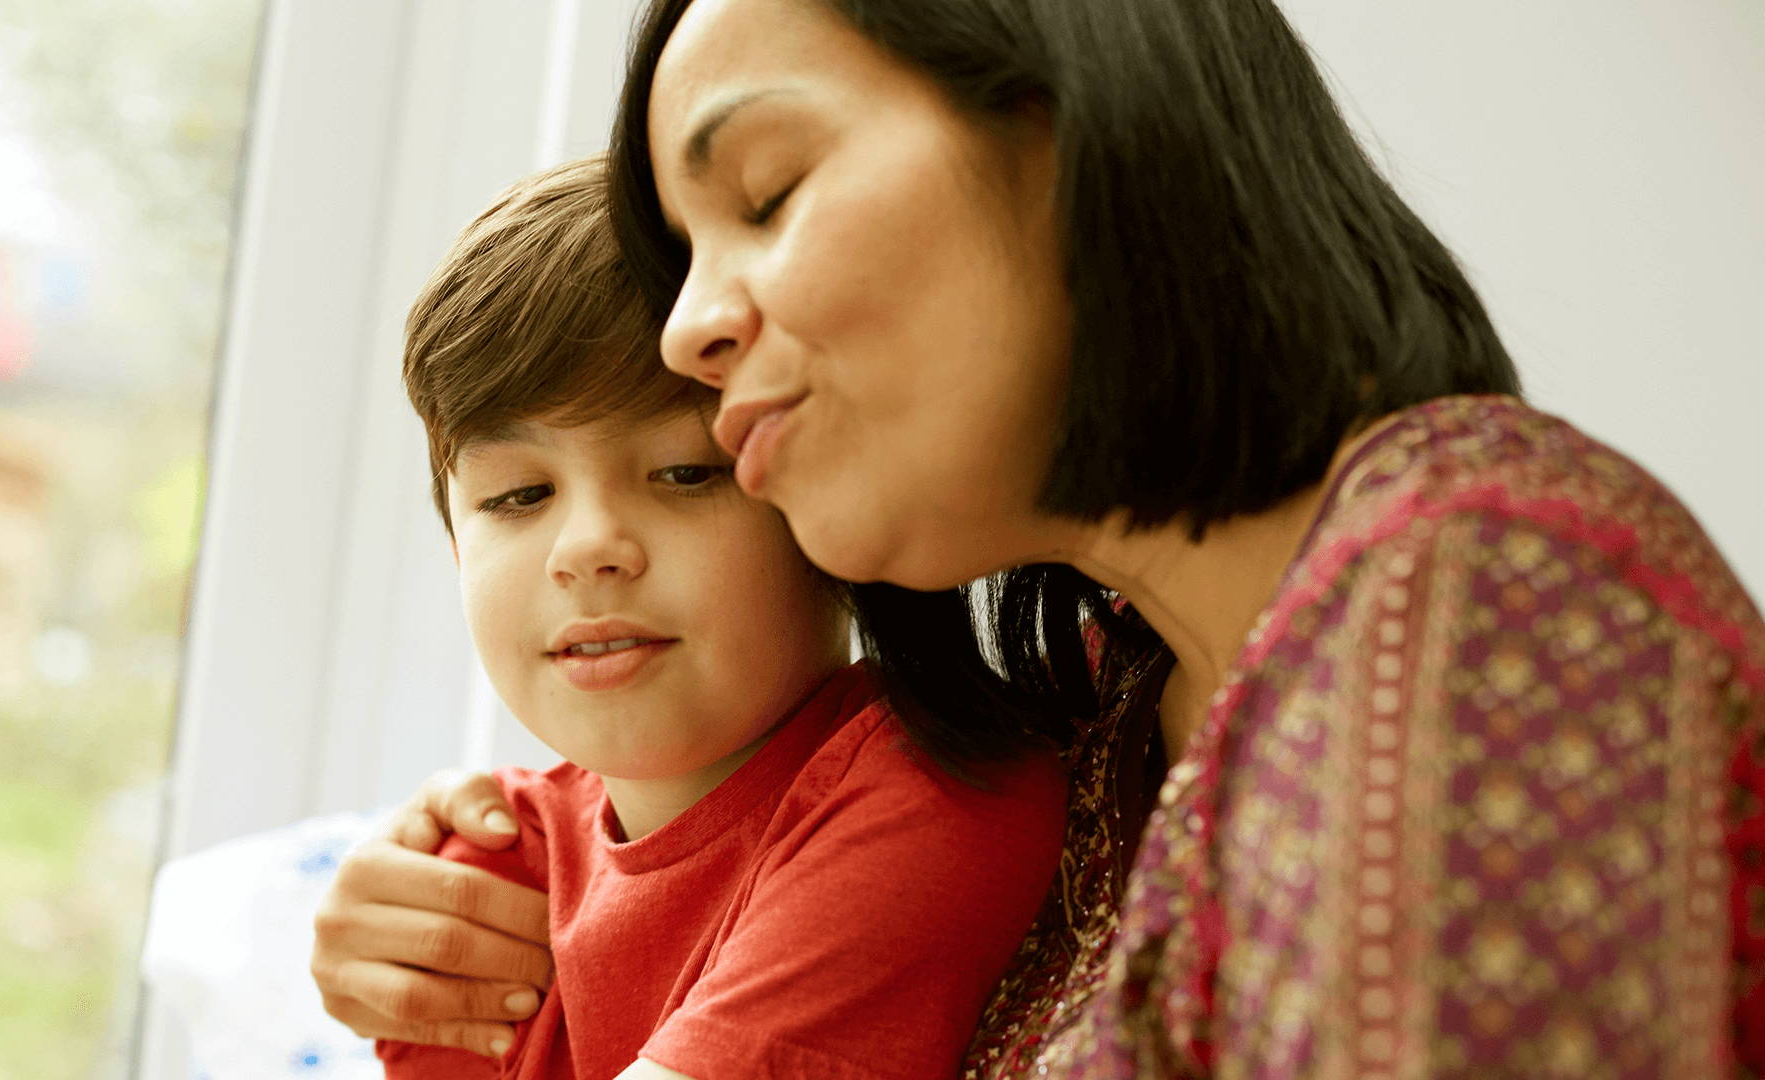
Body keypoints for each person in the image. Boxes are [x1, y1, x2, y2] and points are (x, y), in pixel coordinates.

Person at [316, 1, 1765, 1076]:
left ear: (1081, 119)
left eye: (765, 195)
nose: (695, 327)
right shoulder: (1113, 713)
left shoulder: (1472, 584)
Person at [362, 153, 1067, 1080]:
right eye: (518, 495)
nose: (587, 547)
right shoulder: (481, 879)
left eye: (687, 473)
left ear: (825, 498)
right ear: (457, 547)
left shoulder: (942, 787)